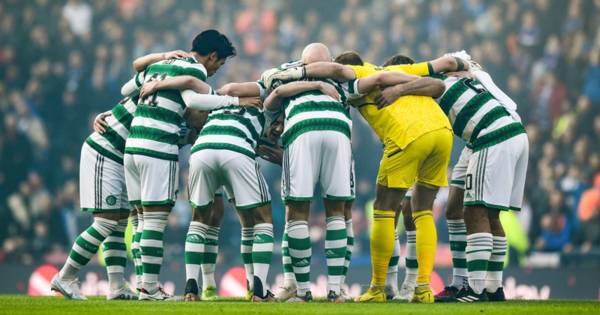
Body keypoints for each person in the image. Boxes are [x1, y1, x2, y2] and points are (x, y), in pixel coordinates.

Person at [264, 51, 452, 303]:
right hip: (442, 134)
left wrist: (300, 72)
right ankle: (421, 288)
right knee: (423, 211)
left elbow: (338, 72)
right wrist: (402, 89)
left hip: (408, 137)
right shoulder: (397, 74)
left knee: (384, 211)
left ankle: (378, 287)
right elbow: (439, 84)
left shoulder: (357, 75)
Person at [378, 52, 528, 302]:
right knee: (455, 209)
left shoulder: (430, 82)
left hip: (492, 136)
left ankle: (478, 290)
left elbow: (436, 86)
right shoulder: (446, 77)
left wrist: (399, 89)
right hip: (489, 137)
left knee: (477, 211)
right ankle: (472, 285)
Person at [50, 50, 190, 301]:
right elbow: (134, 81)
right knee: (106, 221)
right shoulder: (170, 88)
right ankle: (66, 276)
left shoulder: (177, 102)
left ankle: (117, 286)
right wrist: (108, 114)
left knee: (119, 222)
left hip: (124, 154)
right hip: (107, 148)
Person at [121, 30, 240, 301]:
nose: (214, 71)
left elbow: (126, 90)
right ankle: (149, 288)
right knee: (154, 219)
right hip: (158, 146)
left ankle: (144, 283)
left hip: (133, 145)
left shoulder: (162, 64)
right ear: (211, 56)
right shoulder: (194, 69)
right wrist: (232, 101)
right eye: (218, 65)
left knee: (140, 220)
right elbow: (194, 101)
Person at [139, 74, 272, 302]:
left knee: (200, 218)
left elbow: (193, 115)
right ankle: (258, 289)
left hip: (202, 151)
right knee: (261, 218)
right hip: (236, 150)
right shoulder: (265, 107)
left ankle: (192, 286)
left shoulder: (217, 106)